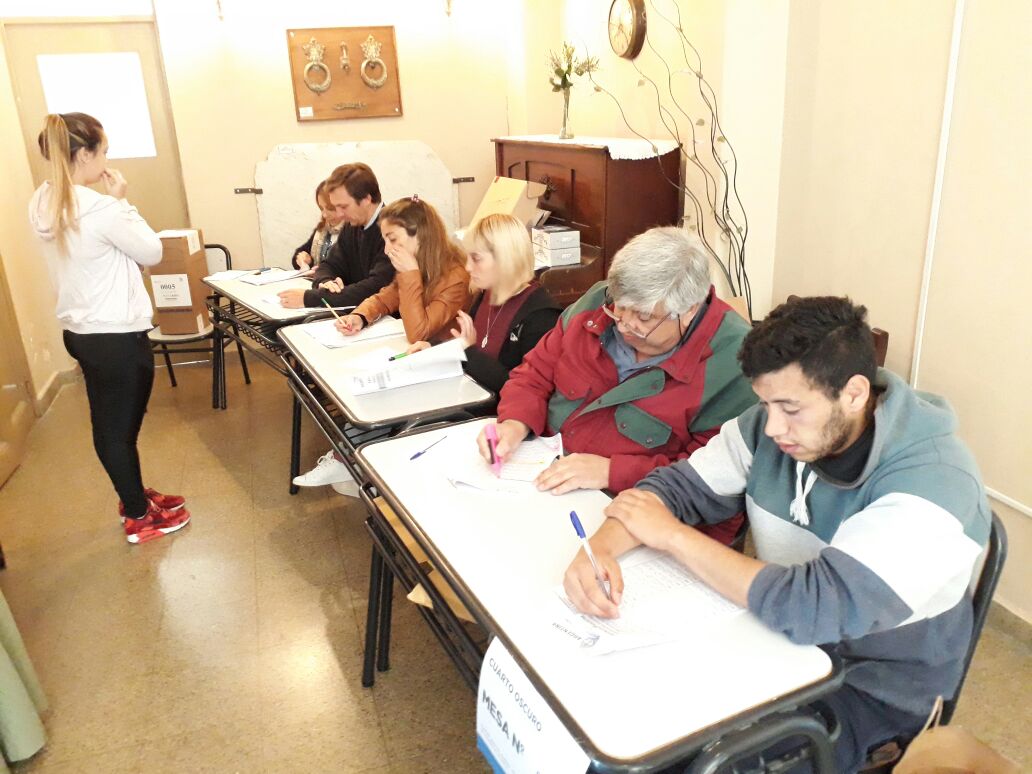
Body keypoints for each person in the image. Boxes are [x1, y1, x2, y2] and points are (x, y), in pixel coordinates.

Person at [564, 296, 991, 773]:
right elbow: (674, 490)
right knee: (615, 719)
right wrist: (598, 551)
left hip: (869, 689)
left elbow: (813, 607)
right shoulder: (774, 426)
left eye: (790, 408)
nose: (772, 428)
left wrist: (673, 537)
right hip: (771, 640)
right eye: (765, 404)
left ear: (853, 394)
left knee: (684, 761)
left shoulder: (935, 482)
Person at [476, 226, 755, 545]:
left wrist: (610, 472)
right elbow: (535, 372)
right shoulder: (597, 302)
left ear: (689, 310)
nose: (623, 325)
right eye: (618, 307)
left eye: (643, 318)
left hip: (647, 519)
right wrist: (515, 423)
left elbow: (708, 477)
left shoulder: (735, 363)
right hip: (547, 489)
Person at [28, 112, 191, 544]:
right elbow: (152, 251)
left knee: (111, 425)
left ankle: (133, 495)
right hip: (116, 336)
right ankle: (138, 515)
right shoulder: (99, 208)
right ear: (84, 154)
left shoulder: (41, 201)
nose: (107, 160)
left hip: (82, 333)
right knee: (119, 431)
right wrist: (121, 201)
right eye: (103, 151)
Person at [406, 213, 561, 394]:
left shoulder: (541, 316)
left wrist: (468, 351)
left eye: (476, 258)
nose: (468, 267)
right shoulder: (487, 293)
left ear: (505, 259)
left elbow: (521, 389)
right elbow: (466, 345)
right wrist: (433, 349)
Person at [336, 195, 470, 342]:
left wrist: (410, 274)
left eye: (393, 239)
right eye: (385, 241)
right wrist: (360, 316)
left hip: (444, 353)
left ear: (420, 235)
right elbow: (385, 299)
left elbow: (418, 334)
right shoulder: (419, 264)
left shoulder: (456, 278)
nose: (386, 250)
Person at [276, 162, 394, 310]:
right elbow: (329, 265)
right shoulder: (352, 225)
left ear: (366, 199)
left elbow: (376, 288)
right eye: (336, 207)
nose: (339, 214)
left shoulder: (394, 231)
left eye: (343, 207)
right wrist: (326, 282)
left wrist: (310, 298)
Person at [288, 180, 344, 270]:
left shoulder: (355, 233)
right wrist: (305, 259)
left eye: (330, 208)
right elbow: (299, 254)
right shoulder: (323, 229)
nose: (324, 215)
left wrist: (323, 273)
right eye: (321, 208)